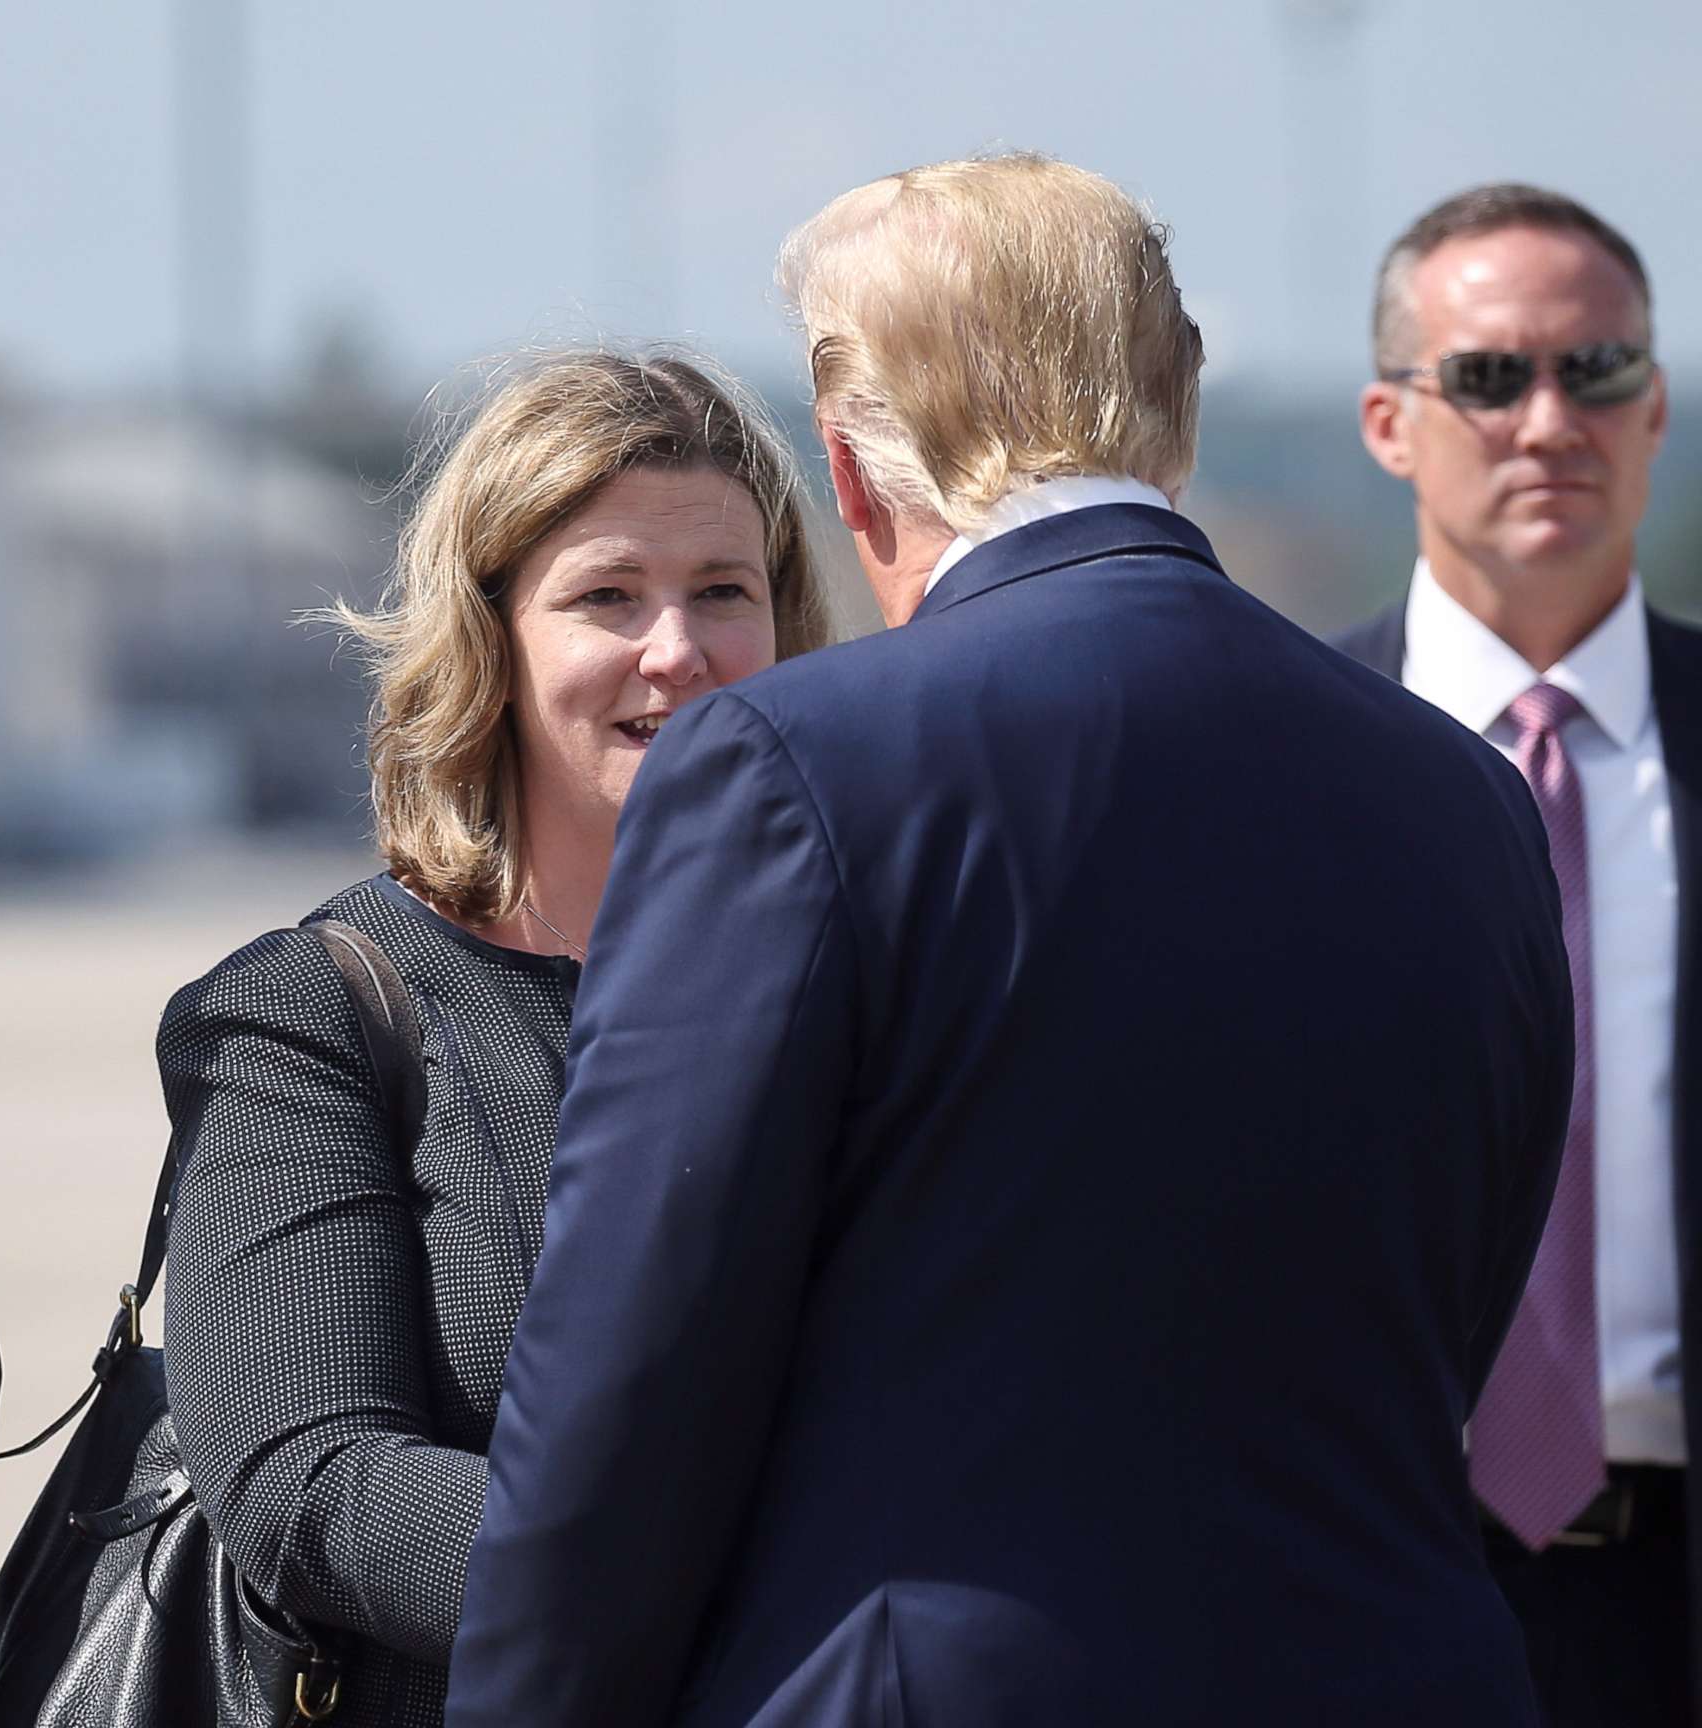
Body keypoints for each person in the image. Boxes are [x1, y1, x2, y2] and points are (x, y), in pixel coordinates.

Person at [446, 154, 1573, 1728]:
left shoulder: (787, 767)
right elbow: (1458, 1315)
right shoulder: (1470, 793)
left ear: (849, 472)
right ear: (1175, 413)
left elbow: (629, 1394)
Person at [155, 350, 835, 1725]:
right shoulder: (318, 1013)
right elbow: (307, 1479)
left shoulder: (858, 990)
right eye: (607, 597)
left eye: (724, 594)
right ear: (491, 639)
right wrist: (713, 1576)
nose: (678, 651)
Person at [1335, 183, 1690, 1726]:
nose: (1551, 420)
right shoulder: (1281, 764)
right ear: (1388, 423)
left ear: (1656, 405)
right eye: (1488, 376)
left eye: (1596, 371)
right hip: (1370, 1561)